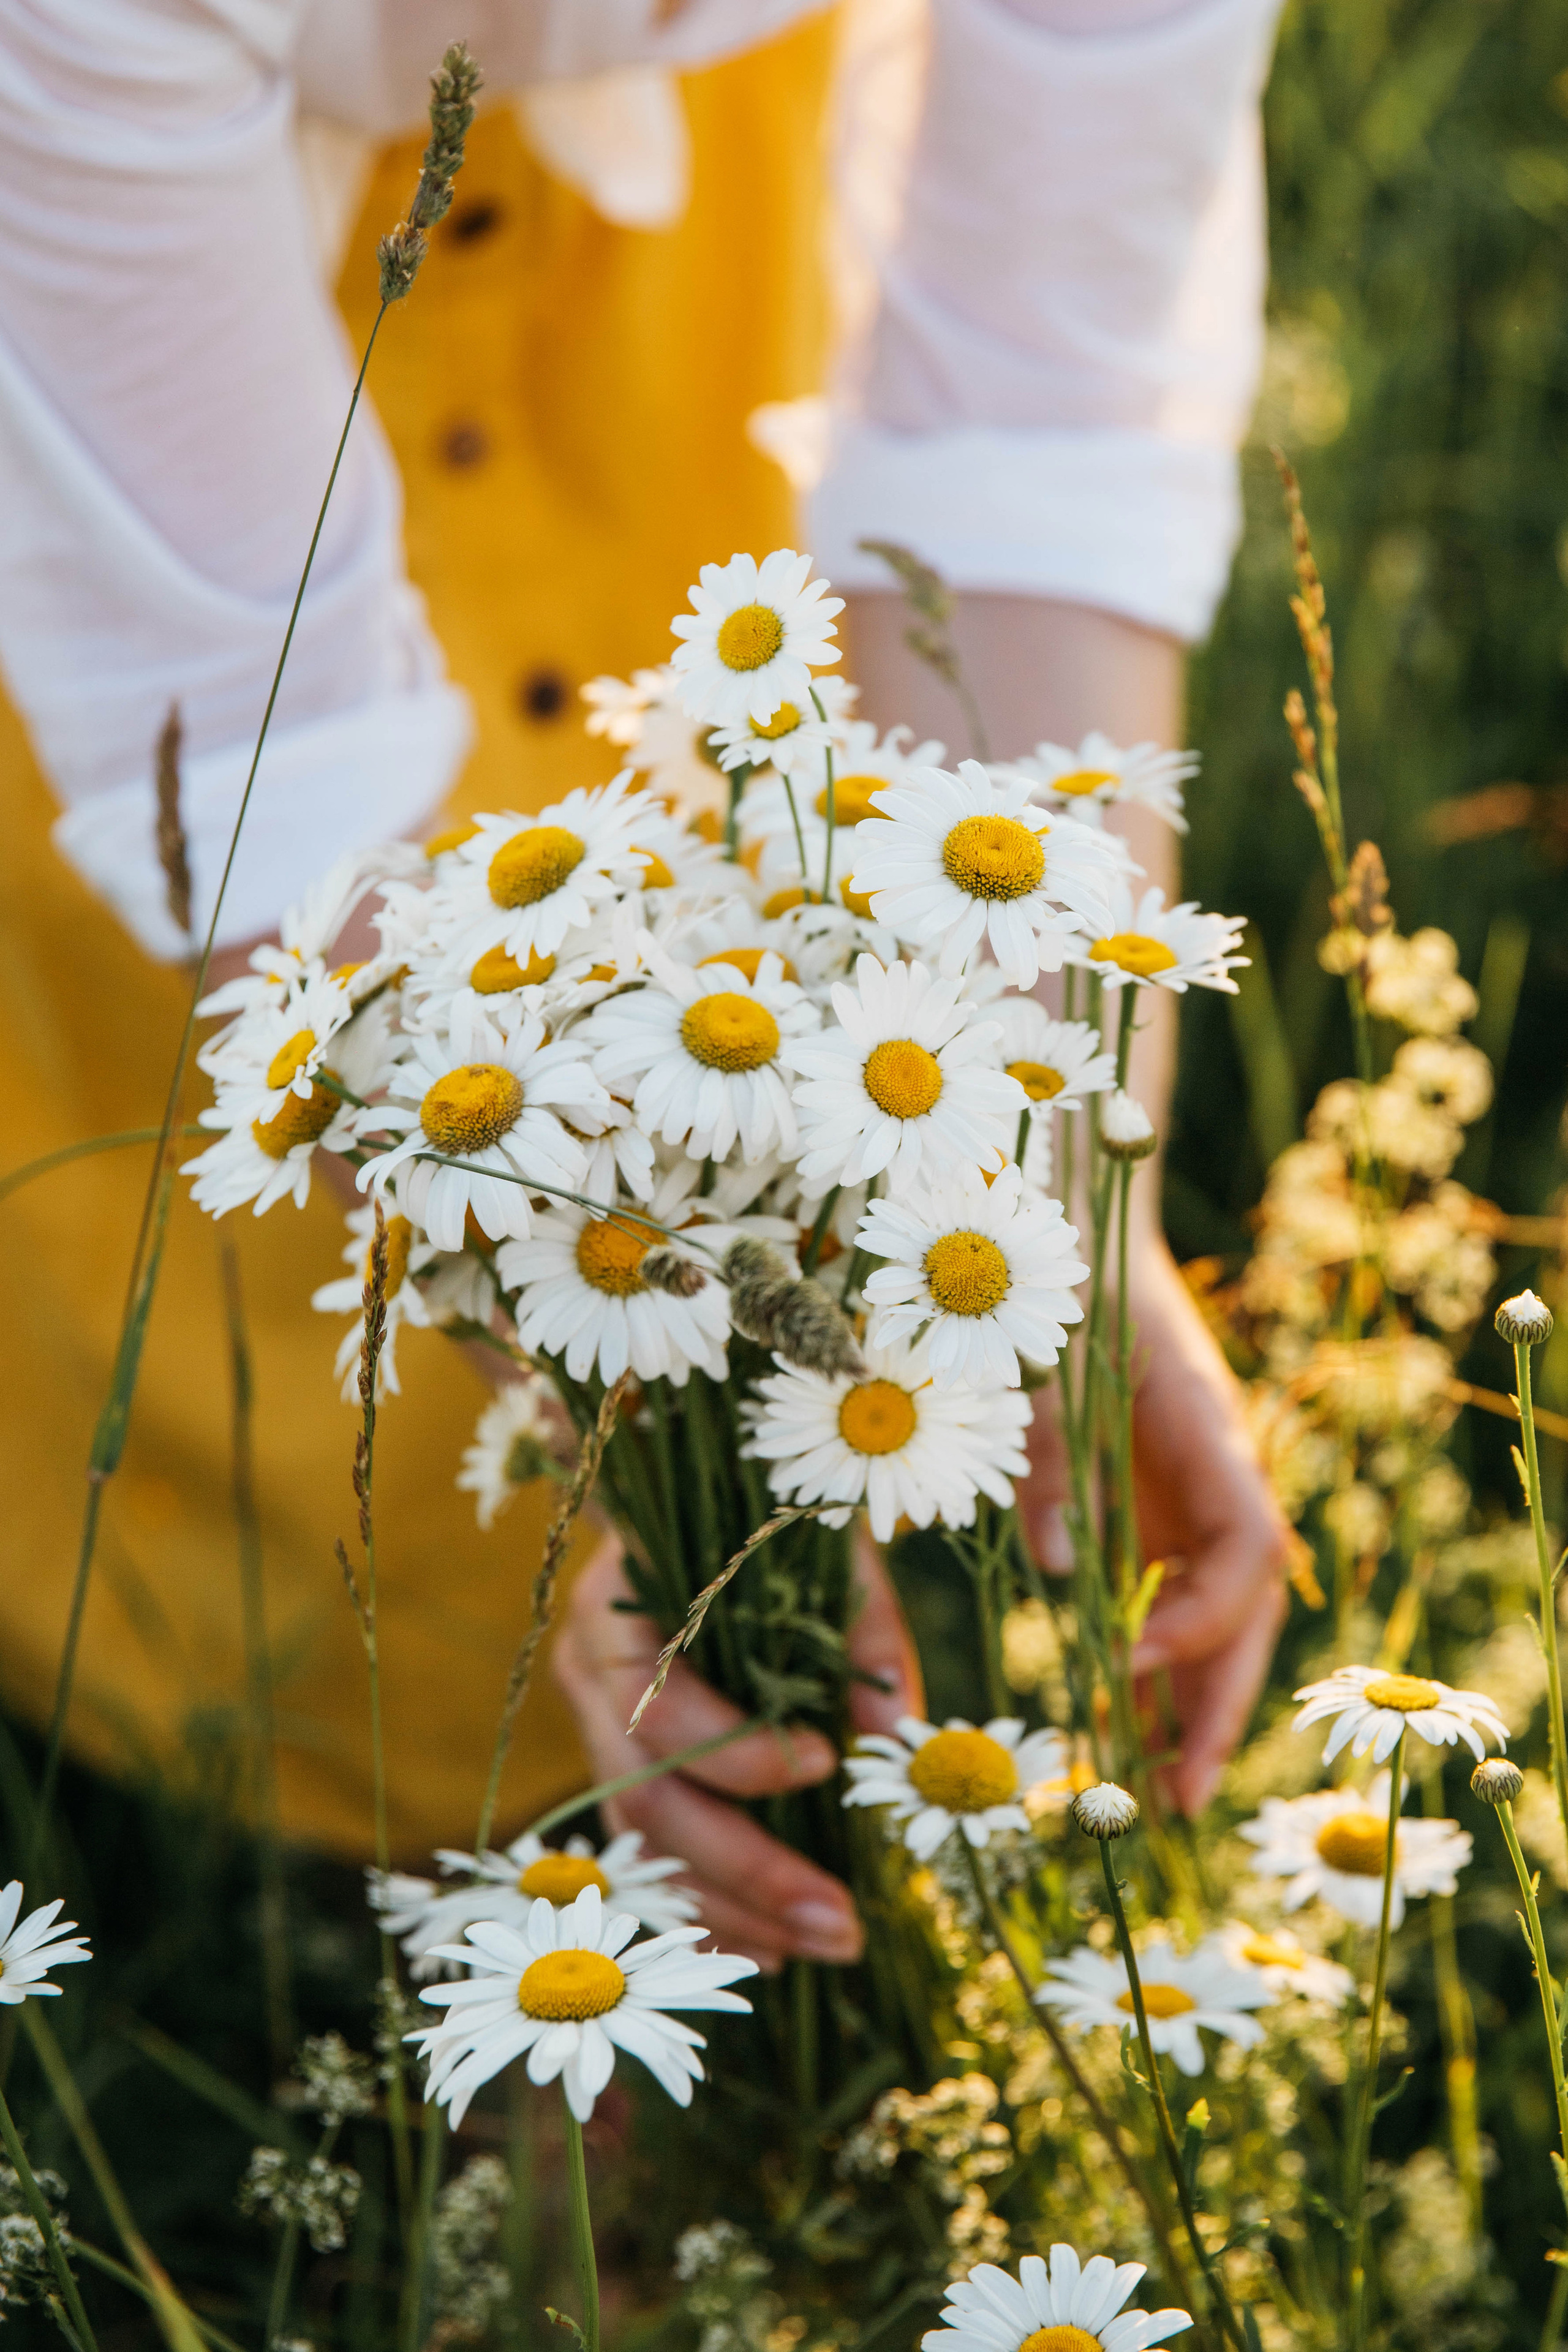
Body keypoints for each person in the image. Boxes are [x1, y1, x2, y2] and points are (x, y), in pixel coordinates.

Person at [0, 0, 1286, 1947]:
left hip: (688, 242)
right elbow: (263, 758)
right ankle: (413, 1855)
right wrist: (633, 1395)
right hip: (105, 282)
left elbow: (1034, 430)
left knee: (691, 760)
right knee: (223, 1237)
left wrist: (1039, 1192)